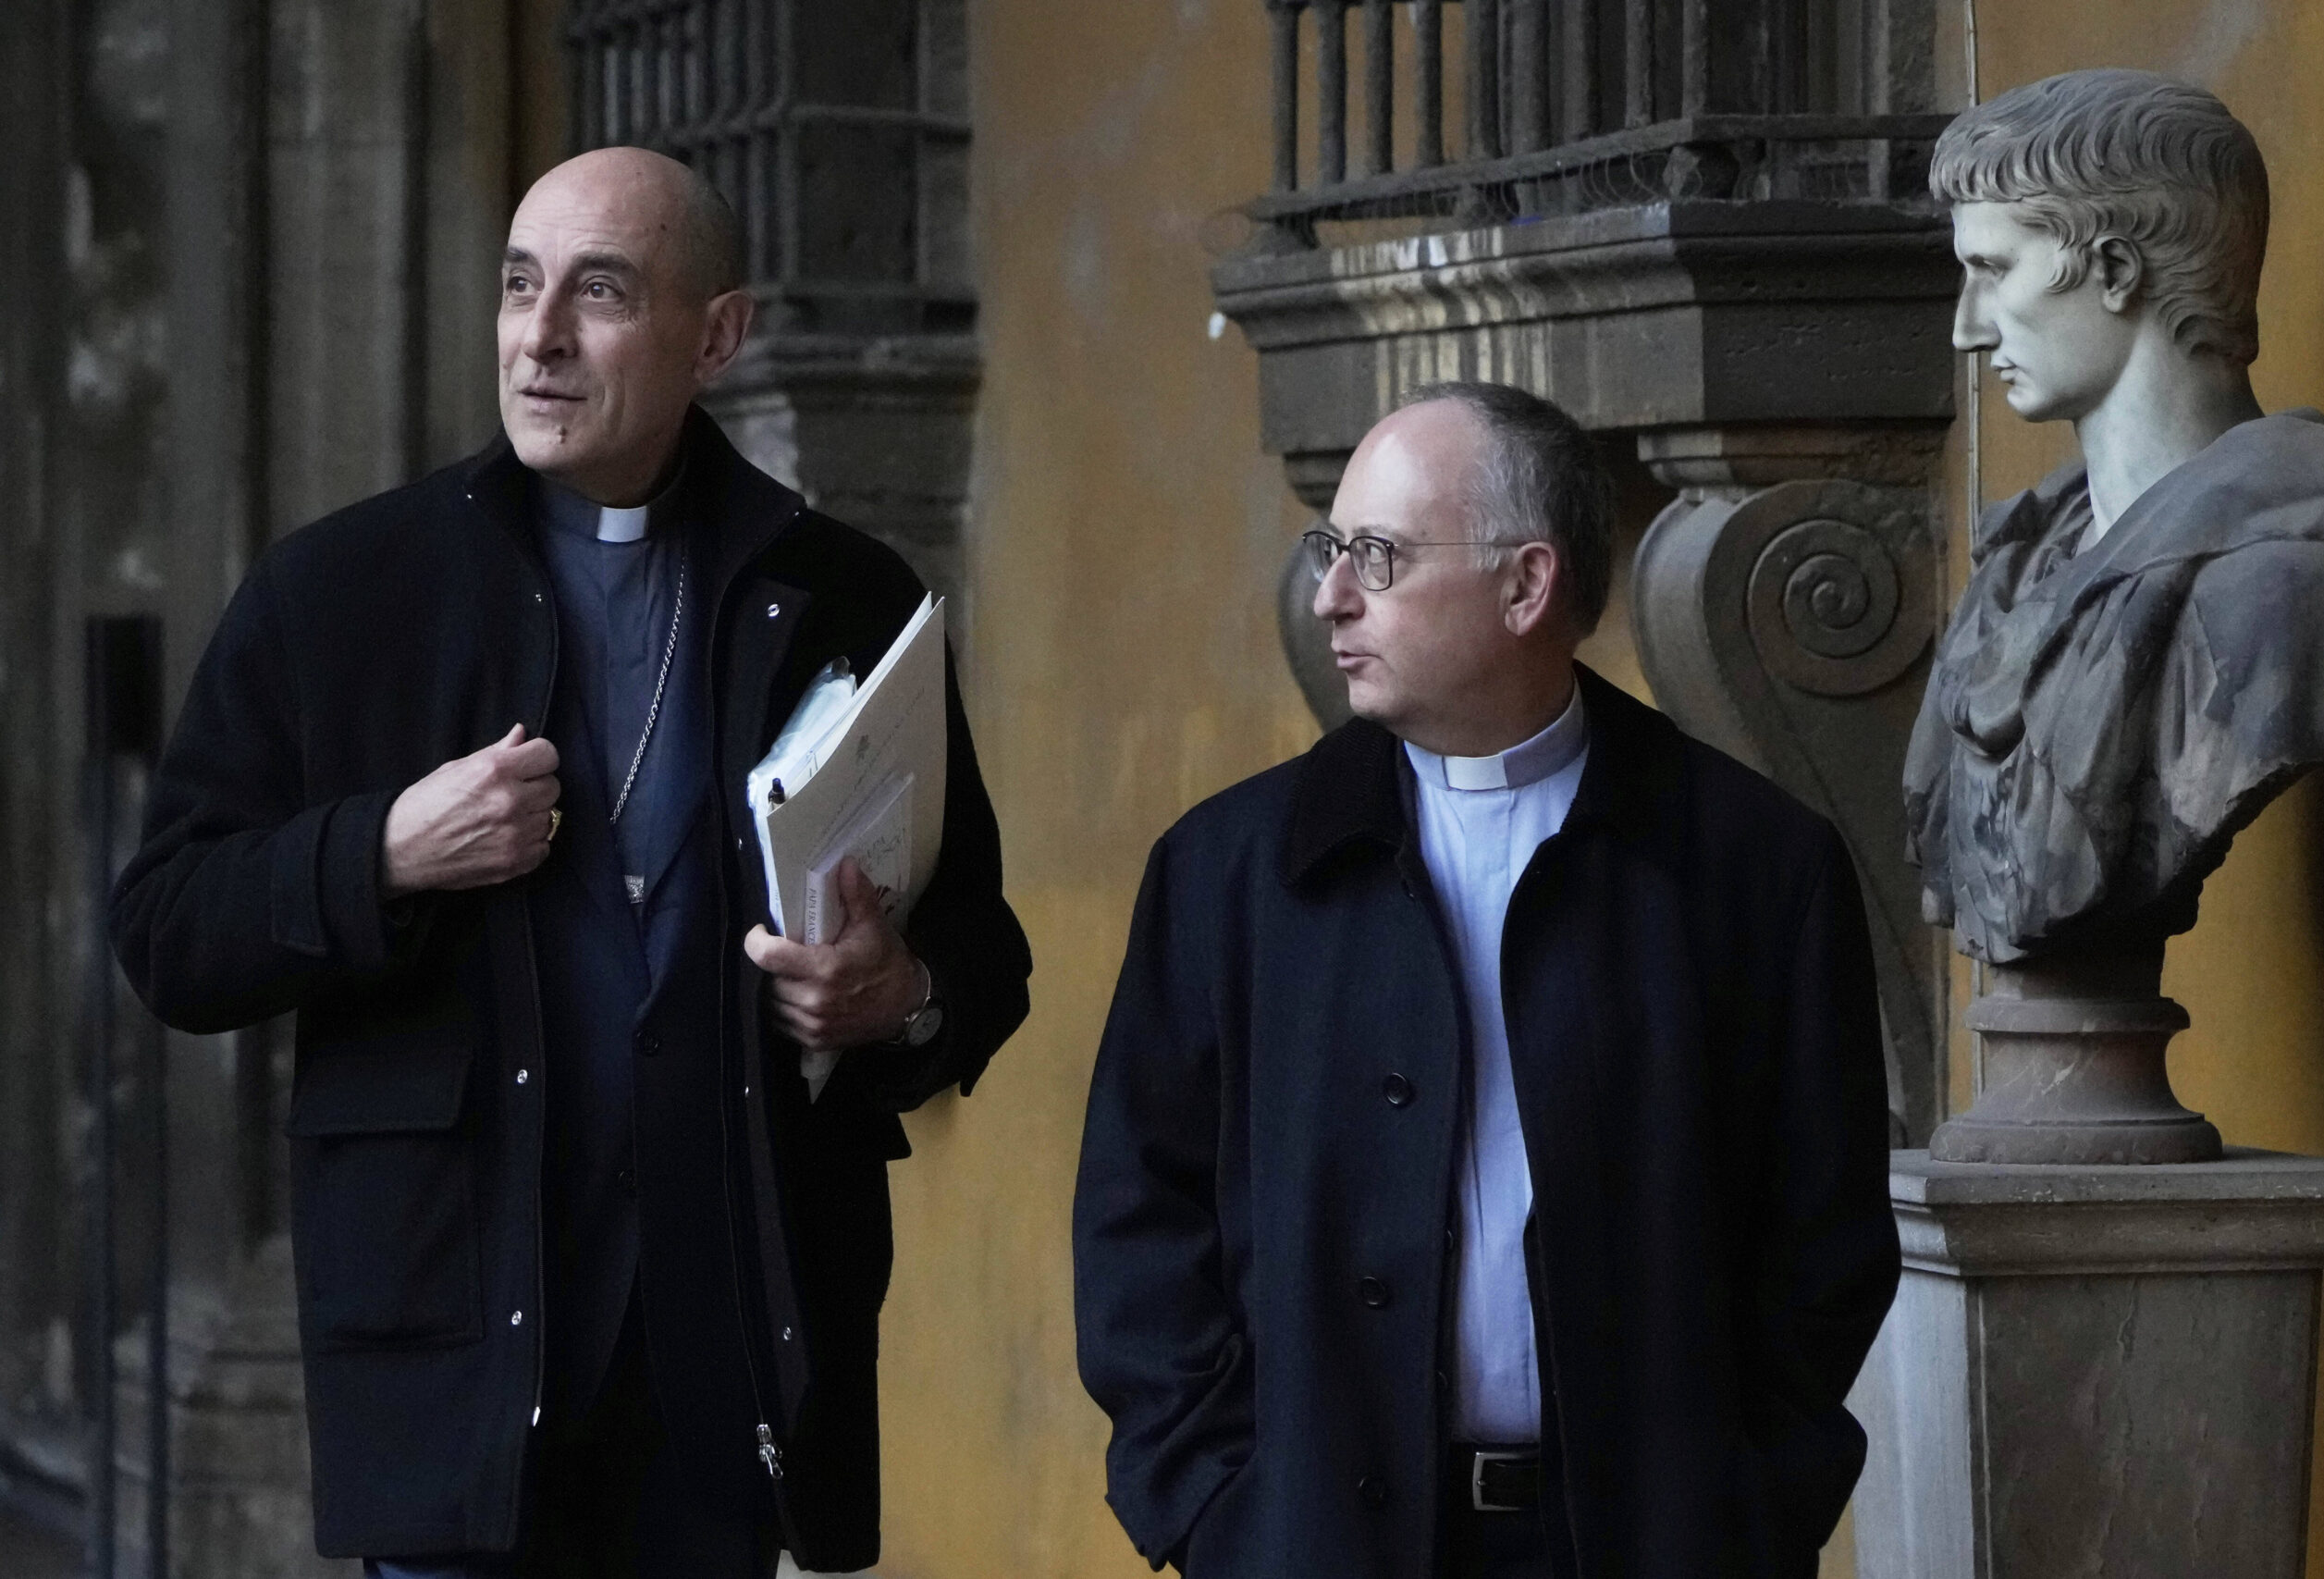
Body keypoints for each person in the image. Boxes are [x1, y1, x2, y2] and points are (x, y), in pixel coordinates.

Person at [109, 147, 1031, 1577]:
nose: (536, 337)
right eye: (518, 286)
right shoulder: (340, 592)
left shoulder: (847, 593)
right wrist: (382, 852)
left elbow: (982, 944)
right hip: (458, 1350)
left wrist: (896, 995)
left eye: (596, 292)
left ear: (715, 337)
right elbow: (166, 927)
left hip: (726, 1365)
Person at [1072, 382, 1899, 1579]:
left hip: (1645, 1545)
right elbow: (1137, 1220)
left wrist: (1753, 1503)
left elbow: (1823, 1244)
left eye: (1381, 557)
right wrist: (1213, 1508)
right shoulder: (1230, 874)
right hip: (1311, 1543)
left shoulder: (1751, 866)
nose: (1330, 595)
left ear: (1526, 583)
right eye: (1331, 549)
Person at [1906, 68, 2324, 965]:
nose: (1966, 329)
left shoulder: (2288, 590)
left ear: (2115, 269)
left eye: (1993, 272)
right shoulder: (2020, 566)